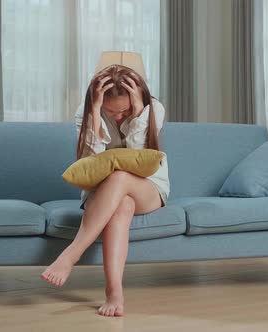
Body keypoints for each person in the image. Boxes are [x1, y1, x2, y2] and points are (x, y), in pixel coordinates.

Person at [40, 64, 170, 317]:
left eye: (125, 111)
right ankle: (114, 292)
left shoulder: (153, 109)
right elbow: (92, 161)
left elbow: (138, 160)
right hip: (102, 193)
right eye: (113, 112)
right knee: (121, 204)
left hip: (149, 187)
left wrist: (139, 111)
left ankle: (71, 254)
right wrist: (97, 113)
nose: (119, 117)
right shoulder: (87, 112)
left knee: (121, 174)